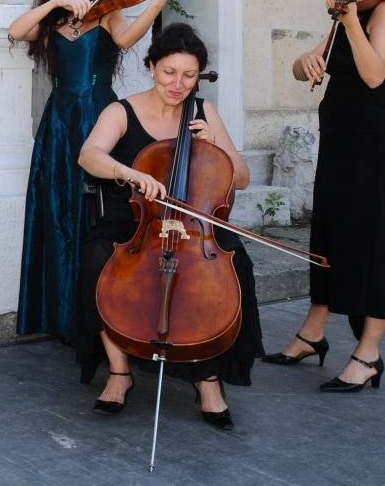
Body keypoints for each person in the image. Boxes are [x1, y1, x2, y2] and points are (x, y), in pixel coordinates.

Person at [263, 0, 385, 392]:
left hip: (368, 147)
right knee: (329, 241)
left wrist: (351, 18)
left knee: (369, 248)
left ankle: (369, 353)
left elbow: (374, 75)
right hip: (337, 143)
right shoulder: (346, 16)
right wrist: (309, 62)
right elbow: (304, 67)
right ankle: (313, 334)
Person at [75, 23, 261, 429]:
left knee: (236, 266)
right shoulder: (122, 110)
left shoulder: (203, 111)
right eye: (169, 73)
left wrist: (215, 145)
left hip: (196, 223)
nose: (178, 84)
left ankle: (208, 379)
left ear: (200, 76)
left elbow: (241, 178)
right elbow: (89, 155)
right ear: (152, 67)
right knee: (95, 258)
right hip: (137, 219)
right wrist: (129, 173)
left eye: (189, 75)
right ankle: (120, 372)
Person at [8, 0, 176, 341]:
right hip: (60, 123)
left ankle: (94, 319)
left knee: (95, 208)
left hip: (98, 118)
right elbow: (17, 30)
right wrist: (55, 2)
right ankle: (58, 314)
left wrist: (158, 1)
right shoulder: (52, 20)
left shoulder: (108, 13)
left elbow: (130, 39)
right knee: (57, 207)